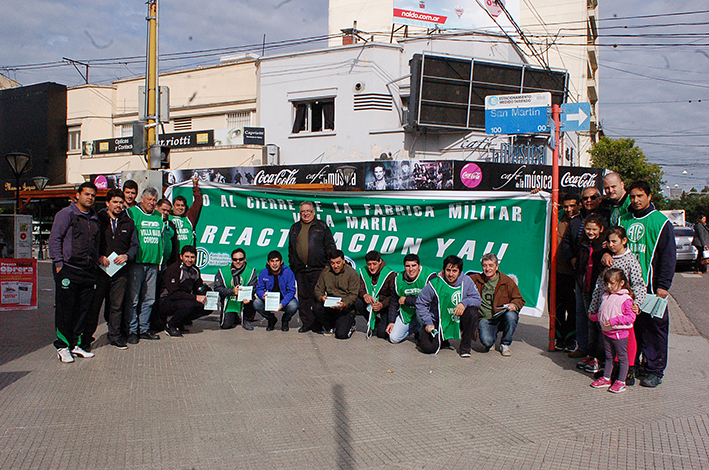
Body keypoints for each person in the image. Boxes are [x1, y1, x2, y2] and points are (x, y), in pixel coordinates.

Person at [618, 181, 676, 388]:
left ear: (649, 197)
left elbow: (669, 257)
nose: (636, 200)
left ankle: (655, 370)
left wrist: (663, 285)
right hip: (625, 289)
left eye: (640, 196)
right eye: (632, 196)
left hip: (651, 289)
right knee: (631, 329)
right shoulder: (622, 219)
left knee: (655, 330)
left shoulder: (661, 222)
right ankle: (632, 366)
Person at [48, 182, 101, 363]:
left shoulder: (94, 217)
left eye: (93, 195)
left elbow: (97, 242)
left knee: (82, 309)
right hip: (68, 270)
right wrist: (59, 265)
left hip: (88, 271)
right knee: (65, 309)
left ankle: (75, 344)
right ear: (77, 195)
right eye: (87, 194)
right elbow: (55, 239)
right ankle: (62, 346)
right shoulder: (66, 214)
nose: (90, 198)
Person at [588, 226, 645, 385]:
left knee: (627, 341)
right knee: (609, 342)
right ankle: (611, 370)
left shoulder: (630, 260)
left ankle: (628, 371)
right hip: (607, 308)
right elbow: (599, 286)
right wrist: (594, 308)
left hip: (624, 310)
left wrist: (637, 304)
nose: (612, 245)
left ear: (624, 241)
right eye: (609, 242)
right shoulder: (607, 259)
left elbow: (639, 284)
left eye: (615, 241)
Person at [86, 188, 138, 350]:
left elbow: (135, 245)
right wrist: (99, 256)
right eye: (115, 202)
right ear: (107, 203)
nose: (118, 205)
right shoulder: (97, 219)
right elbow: (90, 242)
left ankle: (114, 336)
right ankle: (86, 338)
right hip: (100, 271)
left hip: (120, 271)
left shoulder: (128, 222)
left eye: (121, 202)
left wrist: (127, 256)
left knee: (117, 305)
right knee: (94, 305)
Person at [560, 186, 609, 359]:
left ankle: (597, 353)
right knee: (580, 314)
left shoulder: (607, 218)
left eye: (592, 197)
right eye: (585, 198)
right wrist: (572, 259)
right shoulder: (575, 221)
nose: (589, 201)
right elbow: (565, 245)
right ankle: (583, 347)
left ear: (600, 199)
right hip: (580, 277)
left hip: (599, 279)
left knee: (597, 316)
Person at [416, 255, 481, 356]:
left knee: (472, 312)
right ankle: (440, 339)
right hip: (439, 320)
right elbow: (421, 302)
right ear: (444, 270)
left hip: (457, 318)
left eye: (454, 271)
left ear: (459, 272)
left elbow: (477, 300)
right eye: (448, 270)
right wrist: (428, 321)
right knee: (428, 348)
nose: (451, 274)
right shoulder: (435, 283)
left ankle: (465, 347)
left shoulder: (466, 281)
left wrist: (464, 303)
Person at [288, 201, 337, 333]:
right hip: (301, 269)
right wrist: (293, 265)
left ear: (313, 212)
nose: (306, 214)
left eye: (308, 211)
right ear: (300, 213)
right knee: (304, 298)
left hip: (318, 268)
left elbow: (330, 246)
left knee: (318, 297)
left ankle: (318, 324)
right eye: (303, 211)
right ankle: (307, 323)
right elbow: (291, 249)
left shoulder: (321, 226)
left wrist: (328, 265)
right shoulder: (294, 228)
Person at [125, 187, 163, 343]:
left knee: (149, 299)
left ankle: (144, 329)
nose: (152, 203)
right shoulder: (133, 213)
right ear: (142, 199)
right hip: (137, 263)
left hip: (153, 263)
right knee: (133, 299)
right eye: (149, 199)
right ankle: (132, 330)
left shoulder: (159, 216)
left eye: (154, 200)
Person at [589, 268, 637, 393]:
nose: (609, 286)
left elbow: (630, 317)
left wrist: (614, 321)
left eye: (612, 283)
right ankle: (606, 378)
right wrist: (594, 317)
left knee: (622, 357)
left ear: (621, 283)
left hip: (619, 334)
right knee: (609, 357)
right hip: (606, 332)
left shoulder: (625, 299)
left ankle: (621, 381)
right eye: (606, 284)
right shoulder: (606, 296)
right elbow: (603, 313)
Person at [469, 253, 525, 356]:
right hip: (485, 319)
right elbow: (458, 279)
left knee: (512, 316)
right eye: (485, 265)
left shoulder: (506, 281)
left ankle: (505, 344)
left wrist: (514, 305)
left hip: (501, 317)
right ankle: (491, 338)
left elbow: (519, 299)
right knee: (487, 342)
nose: (487, 269)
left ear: (497, 266)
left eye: (491, 265)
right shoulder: (475, 279)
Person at [574, 213, 607, 373]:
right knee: (590, 322)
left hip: (599, 290)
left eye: (594, 229)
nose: (591, 232)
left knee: (599, 324)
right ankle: (590, 354)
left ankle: (599, 358)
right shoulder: (584, 243)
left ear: (601, 229)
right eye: (588, 229)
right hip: (585, 288)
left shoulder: (604, 246)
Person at [386, 254, 436, 344]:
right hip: (407, 315)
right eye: (407, 266)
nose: (411, 269)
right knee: (393, 338)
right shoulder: (398, 279)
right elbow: (393, 302)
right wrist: (391, 321)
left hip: (424, 315)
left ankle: (422, 331)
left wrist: (407, 300)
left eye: (414, 265)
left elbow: (432, 301)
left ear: (419, 266)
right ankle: (415, 328)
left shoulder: (429, 277)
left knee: (420, 309)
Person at [160, 245, 207, 337]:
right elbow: (174, 294)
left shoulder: (195, 270)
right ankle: (171, 326)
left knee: (207, 306)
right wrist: (195, 297)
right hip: (166, 300)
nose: (189, 260)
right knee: (188, 305)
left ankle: (181, 321)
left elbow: (199, 288)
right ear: (181, 257)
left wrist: (210, 297)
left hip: (183, 299)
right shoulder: (173, 269)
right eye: (187, 257)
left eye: (192, 257)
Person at [313, 250, 361, 339]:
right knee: (316, 307)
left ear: (343, 261)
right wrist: (321, 297)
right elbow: (318, 289)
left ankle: (351, 323)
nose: (335, 266)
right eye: (332, 263)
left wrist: (344, 303)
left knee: (341, 335)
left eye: (338, 263)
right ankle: (329, 326)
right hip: (330, 304)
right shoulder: (325, 272)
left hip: (345, 307)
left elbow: (353, 294)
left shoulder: (352, 274)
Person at [555, 193, 580, 351]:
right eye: (566, 206)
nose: (569, 209)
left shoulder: (584, 220)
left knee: (573, 307)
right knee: (558, 306)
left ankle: (571, 337)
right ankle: (559, 337)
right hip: (558, 271)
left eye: (572, 206)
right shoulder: (558, 218)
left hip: (576, 272)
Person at [253, 251, 298, 331]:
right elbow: (259, 289)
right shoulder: (263, 273)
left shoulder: (288, 273)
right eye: (272, 261)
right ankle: (271, 319)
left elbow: (291, 291)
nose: (274, 264)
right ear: (268, 262)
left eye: (277, 261)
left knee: (294, 305)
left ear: (281, 262)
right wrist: (263, 296)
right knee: (256, 303)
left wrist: (282, 304)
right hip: (269, 300)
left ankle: (285, 320)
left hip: (283, 300)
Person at [213, 248, 258, 330]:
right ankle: (234, 316)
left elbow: (253, 288)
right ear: (231, 259)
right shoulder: (222, 271)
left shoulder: (251, 271)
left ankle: (247, 319)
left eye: (240, 259)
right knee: (225, 326)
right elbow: (217, 288)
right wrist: (232, 291)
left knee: (254, 300)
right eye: (235, 259)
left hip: (245, 301)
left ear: (245, 259)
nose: (238, 261)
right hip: (230, 300)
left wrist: (248, 296)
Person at [356, 251, 396, 339]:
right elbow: (360, 288)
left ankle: (386, 323)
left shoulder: (390, 274)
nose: (372, 267)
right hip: (371, 304)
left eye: (374, 264)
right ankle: (375, 322)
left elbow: (394, 296)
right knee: (357, 301)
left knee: (382, 334)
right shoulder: (364, 272)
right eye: (369, 264)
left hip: (384, 306)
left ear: (380, 261)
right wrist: (365, 295)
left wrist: (382, 304)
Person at [170, 177, 203, 252]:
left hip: (187, 256)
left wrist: (195, 186)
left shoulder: (189, 217)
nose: (180, 208)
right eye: (178, 205)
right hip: (173, 255)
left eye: (182, 205)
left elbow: (198, 202)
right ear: (173, 206)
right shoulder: (167, 217)